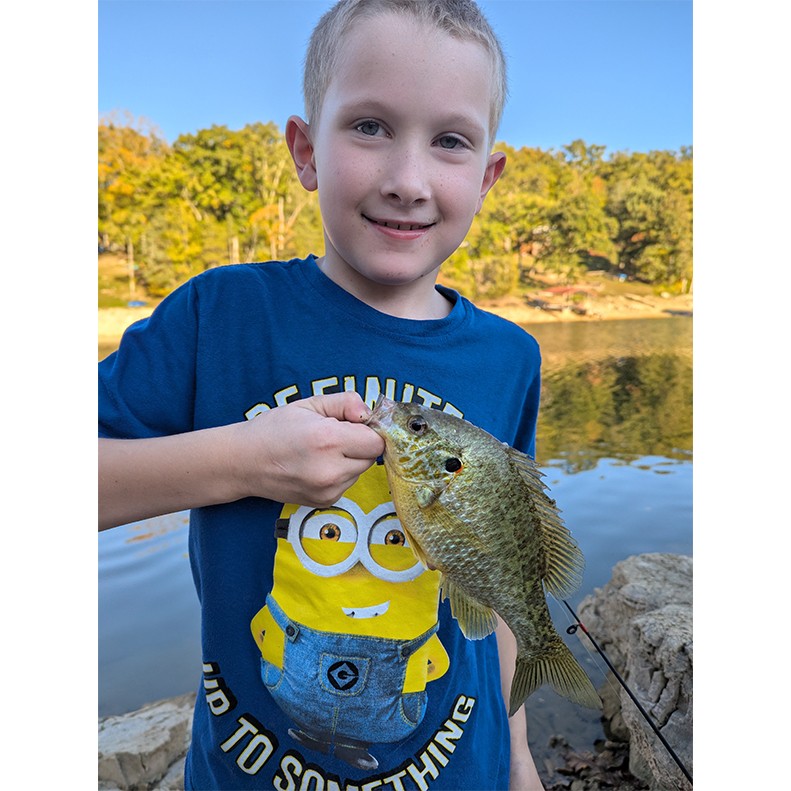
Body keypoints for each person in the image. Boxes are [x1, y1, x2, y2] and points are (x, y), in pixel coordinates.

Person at [99, 1, 547, 788]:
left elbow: (503, 577)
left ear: (487, 176)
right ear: (305, 152)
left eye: (449, 141)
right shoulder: (220, 315)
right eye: (369, 127)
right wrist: (238, 461)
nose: (407, 180)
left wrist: (516, 756)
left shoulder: (510, 356)